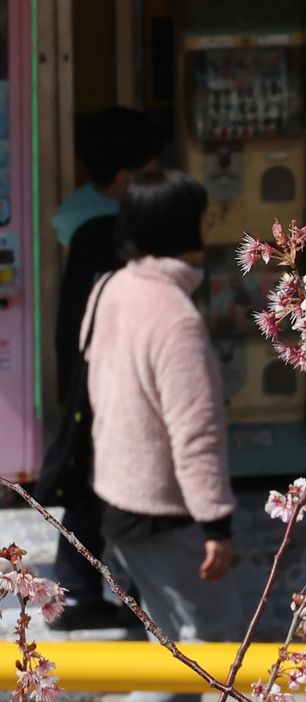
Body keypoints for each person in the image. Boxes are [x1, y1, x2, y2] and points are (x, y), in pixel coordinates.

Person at [84, 171, 240, 702]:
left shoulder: (111, 286)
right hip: (161, 510)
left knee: (168, 640)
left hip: (117, 496)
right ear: (182, 228)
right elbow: (195, 433)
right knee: (206, 646)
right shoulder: (177, 319)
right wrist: (216, 523)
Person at [46, 107, 161, 630]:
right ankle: (141, 595)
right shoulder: (120, 228)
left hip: (81, 374)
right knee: (128, 485)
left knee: (90, 484)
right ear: (125, 176)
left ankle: (76, 592)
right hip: (112, 379)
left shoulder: (72, 216)